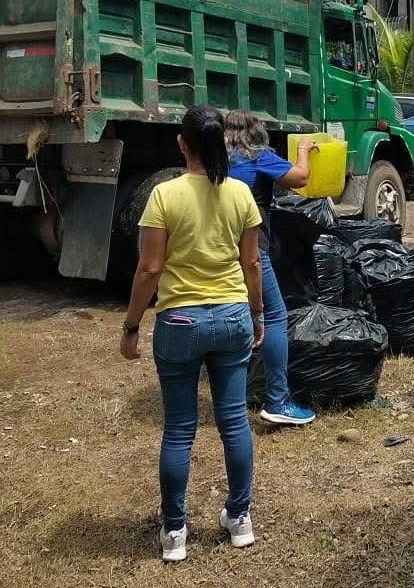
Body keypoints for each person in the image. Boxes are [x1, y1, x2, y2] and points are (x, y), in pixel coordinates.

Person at [119, 105, 263, 562]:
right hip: (232, 317)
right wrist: (257, 313)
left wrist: (131, 326)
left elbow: (149, 268)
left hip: (180, 323)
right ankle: (240, 519)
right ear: (220, 144)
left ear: (181, 144)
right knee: (234, 421)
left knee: (180, 429)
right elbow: (253, 264)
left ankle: (175, 532)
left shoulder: (164, 196)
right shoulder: (241, 193)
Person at [225, 109, 318, 427]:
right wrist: (304, 151)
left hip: (217, 251)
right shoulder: (257, 156)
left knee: (234, 317)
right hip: (251, 249)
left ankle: (232, 396)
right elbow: (300, 178)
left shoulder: (215, 161)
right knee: (273, 317)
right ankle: (277, 400)